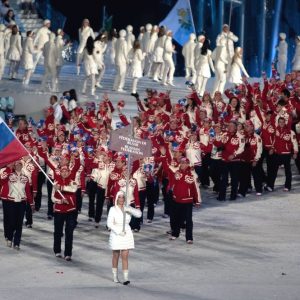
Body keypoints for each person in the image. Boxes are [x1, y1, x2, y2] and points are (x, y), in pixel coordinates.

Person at [107, 191, 142, 285]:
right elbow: (109, 224)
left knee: (125, 256)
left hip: (126, 232)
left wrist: (130, 210)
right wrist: (118, 231)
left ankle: (126, 278)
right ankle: (115, 276)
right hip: (116, 233)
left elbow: (139, 214)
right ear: (116, 198)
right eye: (119, 197)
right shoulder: (112, 209)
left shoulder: (127, 208)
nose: (121, 199)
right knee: (115, 255)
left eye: (123, 197)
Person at [5, 160, 34, 249]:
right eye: (17, 164)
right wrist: (8, 168)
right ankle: (9, 238)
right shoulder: (9, 176)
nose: (18, 166)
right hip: (11, 201)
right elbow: (2, 182)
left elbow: (28, 191)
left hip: (22, 202)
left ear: (22, 166)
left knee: (19, 223)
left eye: (20, 164)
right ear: (14, 166)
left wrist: (31, 203)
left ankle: (17, 243)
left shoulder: (25, 177)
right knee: (11, 222)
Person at [52, 166, 78, 261]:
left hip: (70, 211)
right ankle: (57, 250)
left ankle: (68, 253)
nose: (64, 173)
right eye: (62, 171)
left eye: (66, 171)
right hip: (59, 211)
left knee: (69, 232)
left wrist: (61, 187)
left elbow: (73, 189)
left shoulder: (72, 182)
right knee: (58, 232)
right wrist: (60, 201)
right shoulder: (55, 183)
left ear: (69, 172)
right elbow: (52, 198)